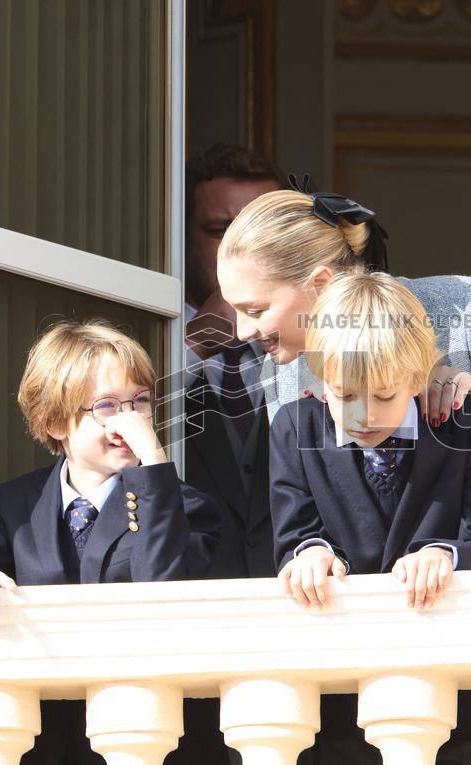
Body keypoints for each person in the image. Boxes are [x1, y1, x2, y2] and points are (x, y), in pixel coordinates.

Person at [216, 179, 471, 572]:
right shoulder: (283, 371)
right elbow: (305, 520)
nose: (243, 332)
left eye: (256, 310)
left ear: (319, 285)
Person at [0, 319, 220, 765]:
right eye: (106, 406)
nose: (130, 419)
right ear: (54, 420)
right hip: (45, 742)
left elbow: (161, 581)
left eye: (141, 402)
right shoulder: (16, 503)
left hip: (147, 736)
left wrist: (154, 465)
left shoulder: (183, 504)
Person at [271, 271, 471, 763]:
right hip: (340, 704)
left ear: (419, 374)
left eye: (383, 396)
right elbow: (291, 534)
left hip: (452, 700)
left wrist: (446, 555)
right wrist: (310, 553)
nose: (362, 415)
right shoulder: (292, 427)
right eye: (343, 395)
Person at [183, 144, 284, 580]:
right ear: (180, 235)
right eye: (220, 229)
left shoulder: (326, 342)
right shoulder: (134, 335)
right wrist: (192, 346)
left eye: (261, 232)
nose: (242, 250)